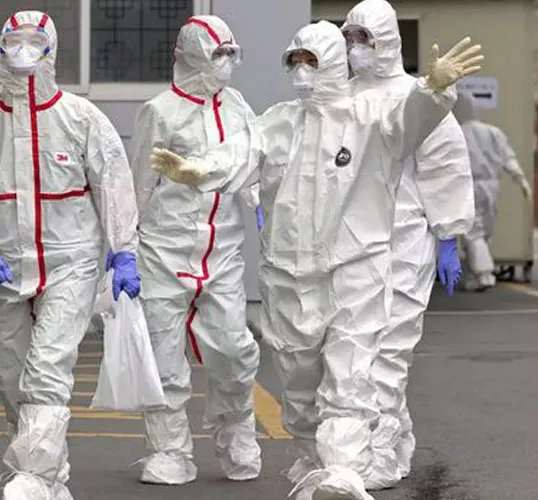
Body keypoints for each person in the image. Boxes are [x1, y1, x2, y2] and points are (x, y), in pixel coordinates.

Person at [149, 20, 483, 500]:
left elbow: (409, 123)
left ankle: (344, 472)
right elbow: (240, 152)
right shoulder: (279, 122)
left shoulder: (368, 117)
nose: (303, 71)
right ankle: (315, 462)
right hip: (289, 276)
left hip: (355, 268)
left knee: (350, 378)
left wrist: (432, 91)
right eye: (296, 61)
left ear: (333, 65)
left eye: (313, 61)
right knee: (300, 387)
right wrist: (198, 169)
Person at [0, 10, 139, 499]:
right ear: (0, 48)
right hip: (3, 268)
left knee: (48, 370)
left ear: (52, 50)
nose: (23, 50)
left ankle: (30, 474)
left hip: (71, 263)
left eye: (34, 41)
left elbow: (113, 184)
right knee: (12, 378)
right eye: (14, 40)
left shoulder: (81, 118)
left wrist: (124, 250)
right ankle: (48, 479)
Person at [341, 0, 475, 489]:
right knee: (356, 353)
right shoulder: (342, 97)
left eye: (364, 38)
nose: (355, 48)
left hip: (405, 238)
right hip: (352, 242)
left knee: (390, 349)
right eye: (349, 37)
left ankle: (378, 453)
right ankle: (391, 440)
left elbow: (446, 167)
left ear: (387, 41)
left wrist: (448, 236)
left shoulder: (417, 94)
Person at [130, 15, 262, 485]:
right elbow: (138, 185)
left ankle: (236, 433)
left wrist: (259, 202)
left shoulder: (237, 106)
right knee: (164, 358)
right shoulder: (159, 111)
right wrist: (124, 246)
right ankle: (168, 450)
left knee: (234, 349)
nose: (224, 63)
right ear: (188, 55)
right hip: (163, 252)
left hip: (221, 251)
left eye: (229, 53)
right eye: (215, 54)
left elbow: (250, 160)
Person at [452, 92, 533, 291]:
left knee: (473, 232)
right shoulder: (492, 132)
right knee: (483, 231)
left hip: (468, 185)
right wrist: (521, 179)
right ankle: (477, 274)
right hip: (492, 187)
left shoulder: (456, 132)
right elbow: (508, 158)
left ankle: (483, 274)